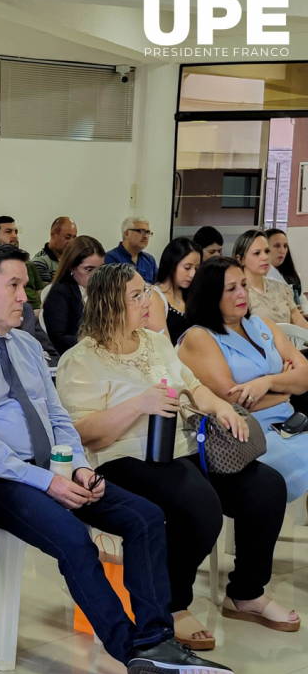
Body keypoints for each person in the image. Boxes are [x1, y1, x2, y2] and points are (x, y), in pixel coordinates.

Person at [0, 243, 234, 674]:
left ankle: (156, 641)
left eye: (25, 285)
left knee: (146, 518)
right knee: (73, 540)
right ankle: (142, 662)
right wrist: (48, 482)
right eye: (15, 285)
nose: (26, 296)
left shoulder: (25, 345)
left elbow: (59, 418)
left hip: (54, 470)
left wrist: (78, 467)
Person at [56, 263, 291, 650]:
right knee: (199, 505)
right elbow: (83, 434)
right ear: (109, 304)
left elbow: (193, 386)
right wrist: (138, 405)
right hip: (122, 459)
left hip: (180, 449)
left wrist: (221, 409)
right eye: (136, 295)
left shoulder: (154, 342)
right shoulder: (81, 360)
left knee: (266, 487)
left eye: (145, 291)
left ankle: (246, 592)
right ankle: (173, 604)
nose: (148, 300)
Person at [179, 256, 308, 517]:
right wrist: (288, 387)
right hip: (244, 434)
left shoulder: (264, 326)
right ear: (210, 295)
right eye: (231, 289)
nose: (242, 294)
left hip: (288, 423)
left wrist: (267, 382)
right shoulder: (200, 336)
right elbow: (235, 400)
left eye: (244, 285)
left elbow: (306, 377)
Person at [233, 229, 308, 331]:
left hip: (290, 344)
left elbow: (300, 323)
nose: (264, 257)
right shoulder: (238, 294)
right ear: (240, 259)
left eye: (267, 251)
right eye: (257, 253)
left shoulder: (282, 288)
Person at [42, 236, 105, 354]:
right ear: (72, 267)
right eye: (89, 269)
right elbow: (58, 339)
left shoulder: (104, 290)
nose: (96, 276)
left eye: (100, 269)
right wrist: (99, 343)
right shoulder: (60, 292)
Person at [145, 238, 201, 345]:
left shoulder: (191, 294)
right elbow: (163, 347)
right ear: (172, 264)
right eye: (187, 267)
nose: (192, 274)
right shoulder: (155, 297)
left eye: (196, 268)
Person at [0, 216, 45, 312]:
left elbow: (40, 293)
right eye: (8, 232)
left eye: (16, 232)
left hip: (36, 312)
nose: (14, 236)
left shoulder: (28, 264)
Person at [104, 217, 158, 284]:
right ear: (127, 234)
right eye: (141, 231)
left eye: (148, 232)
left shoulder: (149, 259)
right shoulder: (110, 258)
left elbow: (157, 285)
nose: (146, 236)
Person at [265, 227, 305, 310]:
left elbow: (302, 301)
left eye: (285, 246)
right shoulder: (261, 276)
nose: (282, 251)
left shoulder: (289, 275)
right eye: (277, 246)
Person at [32, 216, 78, 284]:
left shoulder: (74, 260)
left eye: (74, 238)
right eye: (67, 237)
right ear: (53, 235)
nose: (71, 242)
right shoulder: (40, 262)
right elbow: (46, 293)